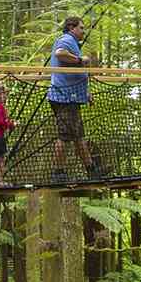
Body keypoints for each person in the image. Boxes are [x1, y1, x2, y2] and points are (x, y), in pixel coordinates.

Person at [48, 15, 103, 182]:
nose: (83, 31)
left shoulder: (73, 42)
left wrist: (84, 92)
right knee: (65, 137)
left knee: (79, 137)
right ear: (72, 28)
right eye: (81, 28)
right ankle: (58, 173)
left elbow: (74, 71)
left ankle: (91, 170)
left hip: (72, 97)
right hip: (65, 98)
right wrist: (81, 59)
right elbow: (60, 54)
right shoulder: (67, 39)